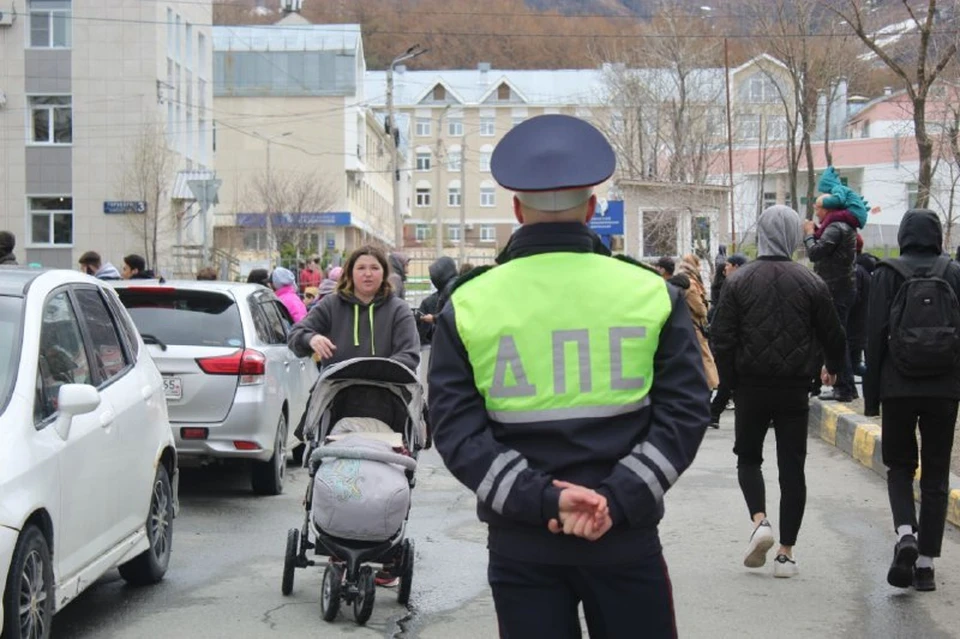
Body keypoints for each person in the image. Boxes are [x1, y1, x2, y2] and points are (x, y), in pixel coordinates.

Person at [428, 114, 709, 637]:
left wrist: (544, 500)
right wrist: (617, 499)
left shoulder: (467, 303)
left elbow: (455, 432)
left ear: (515, 208)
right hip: (625, 537)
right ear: (592, 208)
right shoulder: (649, 293)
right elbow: (686, 414)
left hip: (522, 542)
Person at [712, 205, 846, 578]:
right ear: (791, 236)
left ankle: (760, 522)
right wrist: (831, 368)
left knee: (748, 458)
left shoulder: (739, 281)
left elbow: (721, 336)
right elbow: (834, 334)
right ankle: (786, 553)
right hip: (794, 389)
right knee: (792, 468)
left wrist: (729, 382)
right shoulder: (810, 282)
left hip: (750, 386)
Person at [864, 209, 960, 592]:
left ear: (903, 234)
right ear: (936, 235)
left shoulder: (886, 274)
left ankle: (906, 533)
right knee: (936, 473)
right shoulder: (953, 272)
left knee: (900, 466)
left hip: (897, 386)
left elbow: (873, 338)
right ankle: (925, 566)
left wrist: (871, 397)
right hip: (944, 388)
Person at [288, 245, 420, 372]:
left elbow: (409, 356)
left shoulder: (399, 309)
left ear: (384, 273)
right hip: (337, 391)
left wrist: (373, 374)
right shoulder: (331, 304)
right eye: (361, 268)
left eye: (374, 268)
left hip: (386, 391)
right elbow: (295, 334)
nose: (368, 273)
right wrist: (310, 338)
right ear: (350, 273)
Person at [803, 194, 858, 402]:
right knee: (840, 336)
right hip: (841, 288)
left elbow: (816, 253)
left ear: (827, 209)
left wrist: (809, 234)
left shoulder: (836, 227)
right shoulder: (840, 226)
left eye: (817, 208)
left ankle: (843, 387)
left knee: (837, 337)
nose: (816, 212)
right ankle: (847, 386)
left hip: (836, 289)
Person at [709, 253, 749, 427]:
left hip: (734, 342)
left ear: (737, 267)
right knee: (727, 382)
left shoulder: (740, 285)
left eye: (728, 265)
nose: (725, 268)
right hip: (726, 341)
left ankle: (713, 415)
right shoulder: (727, 284)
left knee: (728, 382)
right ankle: (713, 415)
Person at [676, 254, 719, 395]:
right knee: (705, 357)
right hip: (696, 325)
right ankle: (710, 385)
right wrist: (705, 310)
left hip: (686, 323)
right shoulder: (691, 283)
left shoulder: (680, 280)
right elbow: (699, 308)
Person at [416, 256, 459, 347]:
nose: (432, 279)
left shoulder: (449, 289)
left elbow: (452, 315)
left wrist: (434, 318)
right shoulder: (451, 286)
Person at [848, 235, 874, 378]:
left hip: (853, 327)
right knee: (855, 365)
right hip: (861, 325)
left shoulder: (855, 271)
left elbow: (852, 299)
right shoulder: (865, 269)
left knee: (852, 365)